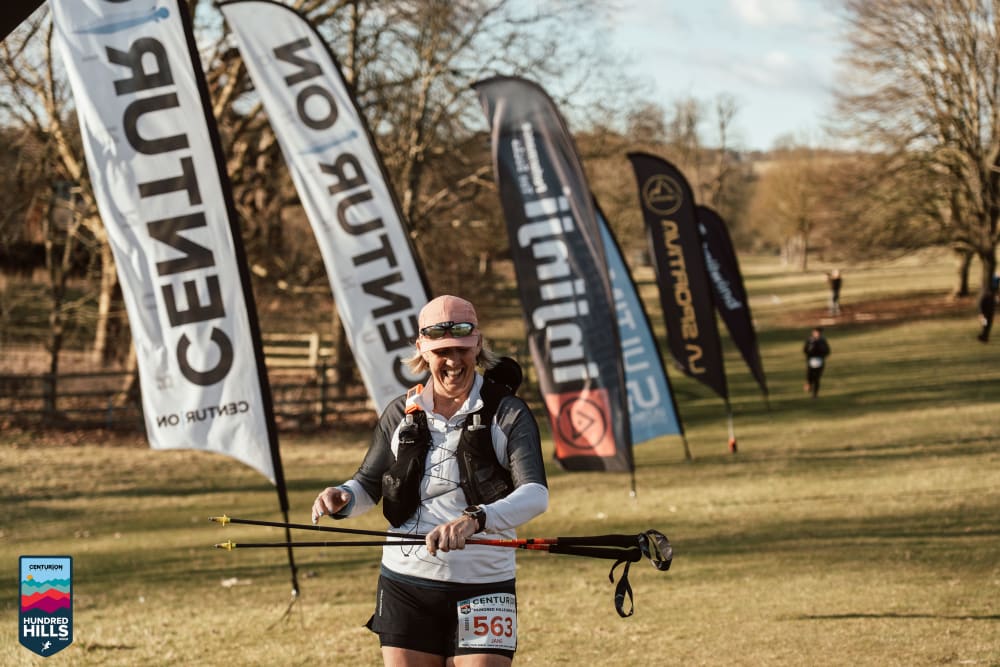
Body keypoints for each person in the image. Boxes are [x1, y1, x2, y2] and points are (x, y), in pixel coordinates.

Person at [311, 295, 548, 666]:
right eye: (442, 352)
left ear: (478, 345)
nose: (453, 361)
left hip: (484, 586)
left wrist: (476, 519)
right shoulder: (400, 412)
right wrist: (343, 496)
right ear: (422, 349)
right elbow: (368, 484)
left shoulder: (507, 412)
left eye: (462, 349)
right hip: (406, 584)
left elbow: (535, 494)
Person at [803, 327, 831, 398]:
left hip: (820, 362)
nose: (816, 334)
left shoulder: (822, 341)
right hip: (811, 361)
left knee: (816, 378)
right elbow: (805, 350)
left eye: (818, 333)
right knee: (809, 377)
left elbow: (827, 351)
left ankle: (815, 394)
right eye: (815, 332)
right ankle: (809, 384)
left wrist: (822, 355)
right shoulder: (809, 340)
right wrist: (809, 353)